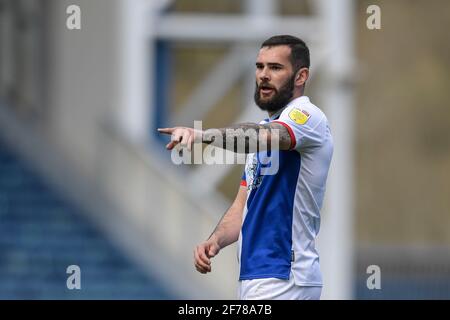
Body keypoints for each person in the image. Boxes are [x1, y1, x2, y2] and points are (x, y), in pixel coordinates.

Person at [158, 35, 333, 300]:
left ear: (300, 76)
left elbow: (259, 137)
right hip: (258, 276)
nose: (263, 75)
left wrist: (202, 135)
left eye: (275, 68)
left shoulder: (307, 117)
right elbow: (243, 207)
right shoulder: (263, 132)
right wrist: (214, 241)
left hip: (285, 275)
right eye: (259, 66)